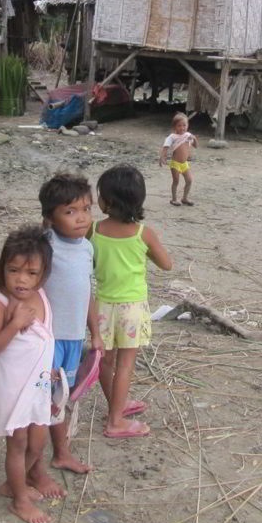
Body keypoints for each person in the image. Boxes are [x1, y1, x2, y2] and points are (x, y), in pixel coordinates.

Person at [91, 165, 172, 437]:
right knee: (126, 365)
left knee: (105, 362)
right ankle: (116, 420)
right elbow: (167, 264)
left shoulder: (94, 231)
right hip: (132, 309)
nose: (96, 199)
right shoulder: (142, 234)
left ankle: (116, 404)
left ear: (109, 201)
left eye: (99, 194)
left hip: (102, 307)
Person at [0, 225, 56, 523]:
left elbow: (45, 337)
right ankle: (20, 500)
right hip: (13, 385)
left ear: (42, 275)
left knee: (38, 443)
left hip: (38, 382)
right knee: (18, 442)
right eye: (13, 271)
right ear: (3, 270)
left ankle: (12, 484)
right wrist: (14, 325)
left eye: (30, 273)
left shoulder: (42, 296)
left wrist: (49, 370)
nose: (21, 280)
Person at [37, 173, 103, 480]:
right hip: (47, 340)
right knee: (41, 401)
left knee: (59, 398)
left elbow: (87, 292)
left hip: (74, 339)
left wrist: (96, 333)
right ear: (49, 217)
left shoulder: (86, 248)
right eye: (70, 211)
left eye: (86, 209)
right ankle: (33, 467)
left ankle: (61, 455)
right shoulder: (44, 246)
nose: (81, 218)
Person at [158, 112, 197, 206]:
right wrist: (163, 157)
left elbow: (195, 146)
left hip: (184, 164)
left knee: (189, 180)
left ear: (187, 125)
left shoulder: (188, 135)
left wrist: (194, 139)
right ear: (174, 127)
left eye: (184, 125)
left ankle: (185, 198)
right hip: (175, 163)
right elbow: (165, 147)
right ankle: (174, 199)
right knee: (176, 181)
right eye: (179, 125)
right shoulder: (172, 137)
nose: (182, 128)